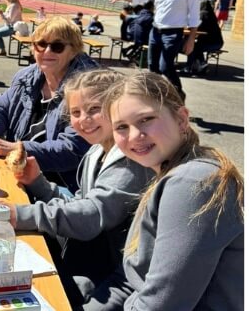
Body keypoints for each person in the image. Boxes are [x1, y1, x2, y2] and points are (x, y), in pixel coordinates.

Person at [0, 70, 154, 308]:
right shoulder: (97, 150)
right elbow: (79, 202)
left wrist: (19, 215)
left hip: (113, 280)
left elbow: (90, 217)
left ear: (118, 108)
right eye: (75, 113)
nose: (84, 120)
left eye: (94, 109)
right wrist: (37, 182)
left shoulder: (129, 162)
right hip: (86, 261)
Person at [84, 72, 243, 311]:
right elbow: (136, 281)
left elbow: (161, 305)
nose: (135, 135)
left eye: (146, 119)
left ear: (181, 119)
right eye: (122, 127)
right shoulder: (176, 171)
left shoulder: (192, 183)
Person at [0, 18, 97, 193]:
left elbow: (72, 149)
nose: (47, 51)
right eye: (41, 44)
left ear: (74, 51)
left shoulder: (87, 88)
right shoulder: (27, 77)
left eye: (57, 46)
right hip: (19, 171)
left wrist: (16, 148)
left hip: (63, 187)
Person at [111, 0, 200, 99]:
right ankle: (156, 97)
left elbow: (195, 16)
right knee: (152, 66)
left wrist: (191, 39)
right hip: (155, 31)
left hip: (173, 33)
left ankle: (178, 95)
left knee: (165, 66)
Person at [184, 0, 224, 74]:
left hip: (211, 44)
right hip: (218, 43)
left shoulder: (203, 14)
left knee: (193, 47)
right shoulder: (212, 16)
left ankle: (189, 66)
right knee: (196, 46)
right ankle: (200, 63)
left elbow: (196, 28)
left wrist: (188, 27)